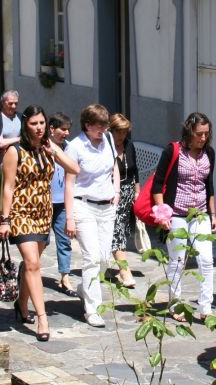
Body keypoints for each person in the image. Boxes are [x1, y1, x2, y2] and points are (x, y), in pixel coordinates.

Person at [0, 105, 79, 341]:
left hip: (43, 213)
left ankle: (22, 304)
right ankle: (42, 319)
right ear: (26, 125)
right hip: (21, 213)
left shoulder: (49, 148)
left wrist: (53, 151)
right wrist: (5, 220)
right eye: (34, 123)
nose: (39, 127)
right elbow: (8, 187)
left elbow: (74, 169)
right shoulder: (15, 151)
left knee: (30, 264)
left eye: (42, 123)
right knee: (33, 264)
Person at [152, 112, 216, 321]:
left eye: (207, 134)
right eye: (199, 134)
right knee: (178, 261)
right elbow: (157, 184)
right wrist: (163, 214)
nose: (203, 138)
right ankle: (176, 304)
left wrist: (213, 213)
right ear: (189, 131)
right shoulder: (173, 151)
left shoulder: (210, 153)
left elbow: (209, 186)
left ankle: (205, 307)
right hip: (177, 214)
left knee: (206, 259)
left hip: (200, 214)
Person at [63, 104, 120, 328]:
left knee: (105, 259)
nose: (104, 130)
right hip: (83, 205)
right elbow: (69, 183)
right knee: (92, 257)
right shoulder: (75, 147)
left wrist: (116, 191)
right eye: (100, 126)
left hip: (107, 206)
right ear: (87, 125)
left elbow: (114, 165)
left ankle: (83, 289)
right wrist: (69, 217)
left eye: (106, 125)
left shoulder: (107, 141)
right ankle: (92, 309)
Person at [47, 112, 77, 297]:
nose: (66, 133)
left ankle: (65, 277)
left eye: (68, 130)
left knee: (64, 241)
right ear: (52, 129)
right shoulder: (43, 147)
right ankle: (29, 271)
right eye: (62, 129)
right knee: (41, 242)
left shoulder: (70, 149)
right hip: (44, 202)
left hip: (63, 203)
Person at [109, 113, 140, 288]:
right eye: (118, 132)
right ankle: (124, 271)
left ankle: (112, 263)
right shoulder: (105, 148)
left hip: (128, 193)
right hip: (111, 194)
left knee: (122, 230)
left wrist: (137, 192)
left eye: (124, 132)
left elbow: (135, 171)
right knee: (116, 231)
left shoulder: (129, 146)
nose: (121, 136)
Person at [0, 90, 22, 198]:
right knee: (4, 197)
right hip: (1, 163)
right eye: (10, 103)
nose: (13, 106)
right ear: (3, 103)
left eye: (16, 103)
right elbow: (0, 143)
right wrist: (19, 138)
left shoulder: (20, 117)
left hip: (19, 161)